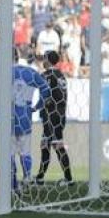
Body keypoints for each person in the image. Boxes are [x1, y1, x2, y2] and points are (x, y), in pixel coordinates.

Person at [12, 54, 52, 186]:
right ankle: (27, 177)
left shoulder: (4, 72)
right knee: (25, 151)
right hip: (25, 116)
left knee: (9, 152)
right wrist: (37, 106)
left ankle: (11, 179)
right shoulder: (30, 72)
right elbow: (46, 89)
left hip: (8, 118)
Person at [35, 51, 73, 185]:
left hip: (52, 114)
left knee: (57, 145)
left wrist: (36, 107)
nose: (42, 62)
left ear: (47, 60)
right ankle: (40, 177)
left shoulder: (47, 75)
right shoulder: (60, 75)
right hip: (58, 114)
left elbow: (44, 94)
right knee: (45, 144)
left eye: (44, 58)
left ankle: (69, 179)